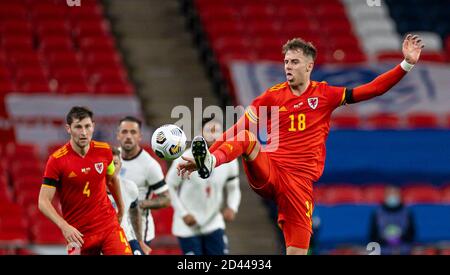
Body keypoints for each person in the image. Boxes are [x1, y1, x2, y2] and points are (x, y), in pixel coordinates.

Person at [178, 34, 424, 255]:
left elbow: (371, 90)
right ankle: (210, 162)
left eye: (294, 62)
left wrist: (406, 65)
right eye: (286, 62)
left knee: (298, 252)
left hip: (299, 185)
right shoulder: (272, 96)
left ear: (309, 66)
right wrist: (209, 153)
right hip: (271, 172)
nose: (288, 67)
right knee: (246, 139)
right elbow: (238, 128)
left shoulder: (326, 95)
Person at [38, 106, 132, 255]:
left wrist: (121, 208)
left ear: (93, 126)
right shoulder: (56, 161)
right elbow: (43, 201)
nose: (83, 132)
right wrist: (64, 226)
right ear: (68, 129)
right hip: (78, 235)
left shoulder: (104, 150)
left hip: (108, 226)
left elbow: (112, 180)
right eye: (78, 127)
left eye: (87, 126)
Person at [166, 116, 241, 255]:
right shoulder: (184, 158)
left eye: (217, 131)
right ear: (200, 133)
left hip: (213, 222)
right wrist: (183, 214)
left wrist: (232, 206)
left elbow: (233, 188)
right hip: (187, 226)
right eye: (209, 130)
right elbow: (169, 187)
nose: (214, 134)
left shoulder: (230, 160)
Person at [116, 116, 171, 249]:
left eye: (133, 132)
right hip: (114, 229)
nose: (128, 136)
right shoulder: (111, 158)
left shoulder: (149, 165)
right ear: (118, 135)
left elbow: (166, 199)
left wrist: (139, 204)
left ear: (140, 136)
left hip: (138, 232)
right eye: (124, 132)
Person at [108, 147, 151, 255]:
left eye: (115, 163)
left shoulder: (130, 187)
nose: (112, 167)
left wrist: (140, 241)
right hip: (104, 239)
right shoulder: (92, 190)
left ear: (120, 166)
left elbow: (135, 213)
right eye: (109, 164)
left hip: (127, 237)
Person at [370, 185, 415, 255]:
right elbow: (372, 236)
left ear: (400, 196)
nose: (392, 196)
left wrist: (398, 240)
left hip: (404, 251)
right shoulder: (377, 213)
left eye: (395, 193)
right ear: (385, 196)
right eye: (390, 193)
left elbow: (411, 234)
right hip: (383, 251)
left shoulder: (407, 212)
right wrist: (386, 240)